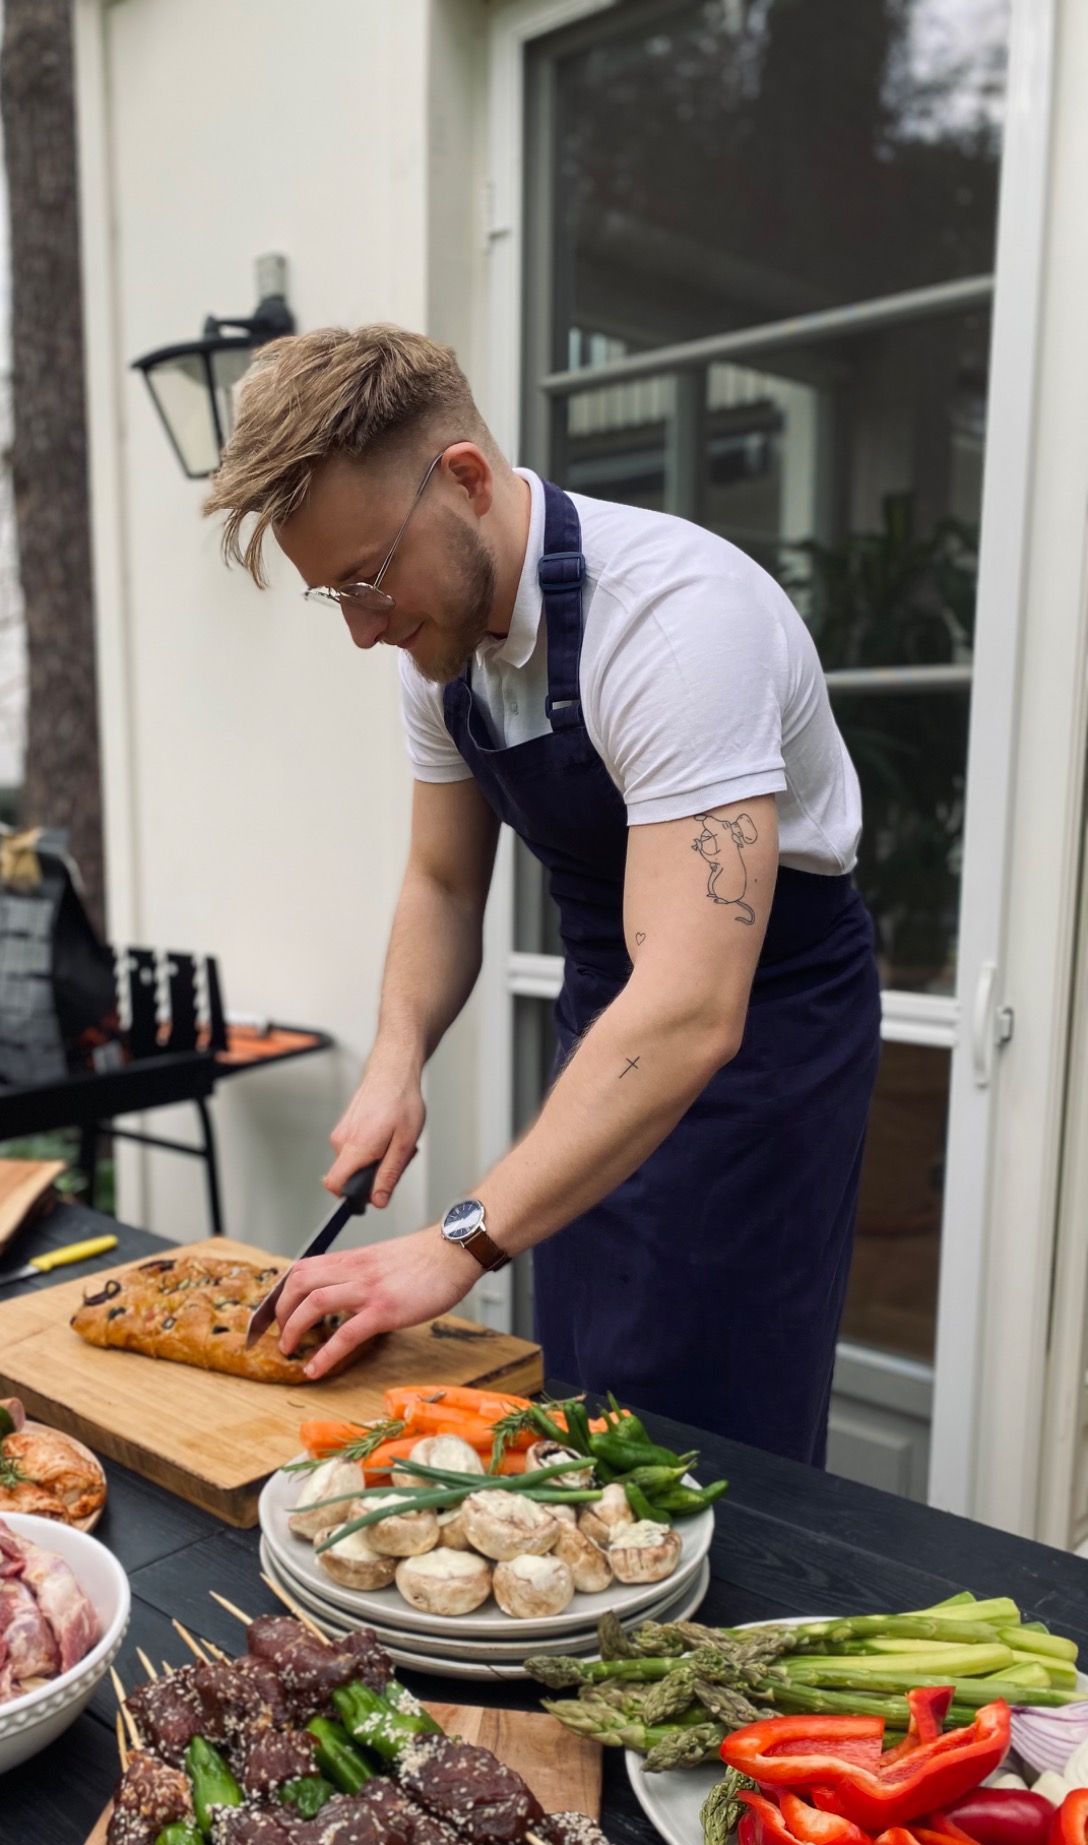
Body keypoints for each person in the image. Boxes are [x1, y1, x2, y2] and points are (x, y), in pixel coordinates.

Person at [203, 325, 880, 1463]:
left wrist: (456, 1240)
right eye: (337, 597)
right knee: (586, 1389)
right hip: (611, 1007)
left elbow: (692, 1009)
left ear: (464, 479)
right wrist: (395, 1059)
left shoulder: (675, 625)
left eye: (369, 576)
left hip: (762, 1034)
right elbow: (443, 878)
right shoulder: (441, 641)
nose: (366, 628)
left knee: (712, 1434)